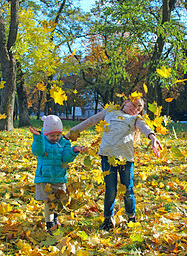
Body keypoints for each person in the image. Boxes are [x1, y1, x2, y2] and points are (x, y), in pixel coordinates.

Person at [66, 96, 162, 231]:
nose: (135, 109)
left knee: (128, 190)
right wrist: (69, 134)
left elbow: (145, 127)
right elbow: (90, 121)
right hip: (107, 157)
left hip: (126, 160)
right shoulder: (109, 112)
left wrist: (152, 137)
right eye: (133, 105)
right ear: (125, 102)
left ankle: (131, 217)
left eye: (138, 108)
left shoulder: (135, 119)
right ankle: (108, 219)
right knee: (110, 190)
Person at [29, 115, 87, 234]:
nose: (55, 138)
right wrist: (38, 137)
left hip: (60, 177)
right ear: (46, 134)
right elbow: (37, 151)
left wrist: (73, 150)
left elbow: (66, 157)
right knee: (49, 202)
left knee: (60, 200)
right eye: (52, 135)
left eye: (57, 135)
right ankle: (49, 224)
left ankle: (55, 218)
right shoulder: (42, 141)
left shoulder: (64, 143)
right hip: (45, 178)